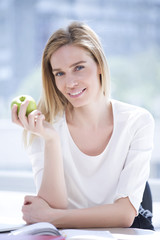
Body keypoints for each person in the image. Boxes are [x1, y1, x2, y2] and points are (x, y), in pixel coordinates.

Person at [11, 21, 155, 229]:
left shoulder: (137, 121)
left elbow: (124, 215)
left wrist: (52, 216)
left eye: (78, 68)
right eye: (60, 73)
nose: (70, 83)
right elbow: (54, 207)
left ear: (99, 65)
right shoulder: (44, 128)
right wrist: (51, 140)